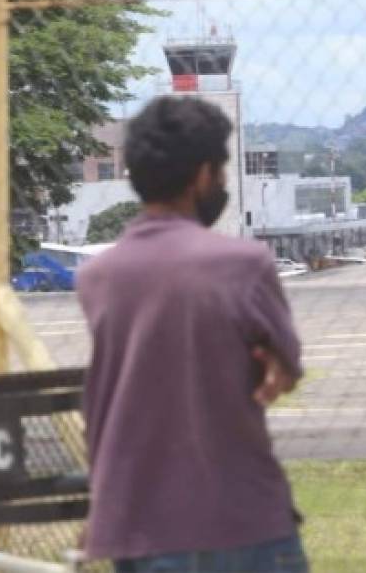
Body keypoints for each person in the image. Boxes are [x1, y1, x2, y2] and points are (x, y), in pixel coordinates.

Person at [76, 96, 307, 573]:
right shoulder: (244, 264)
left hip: (137, 525)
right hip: (242, 518)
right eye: (220, 170)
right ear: (203, 175)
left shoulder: (97, 276)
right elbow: (283, 371)